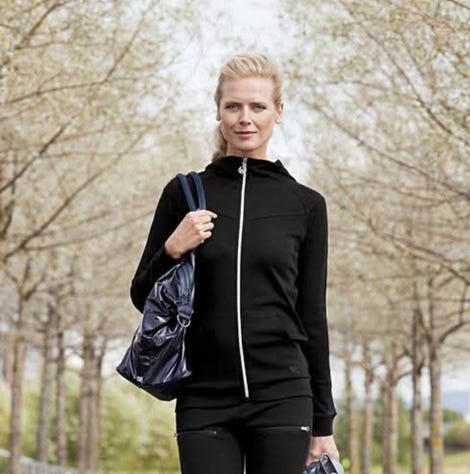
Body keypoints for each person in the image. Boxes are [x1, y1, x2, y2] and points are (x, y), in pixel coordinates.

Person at [130, 53, 339, 474]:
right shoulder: (184, 194)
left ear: (278, 112)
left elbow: (312, 316)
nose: (245, 118)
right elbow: (142, 296)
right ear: (218, 110)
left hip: (283, 394)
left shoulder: (306, 205)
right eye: (233, 106)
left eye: (257, 106)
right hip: (203, 393)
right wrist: (172, 248)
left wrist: (323, 422)